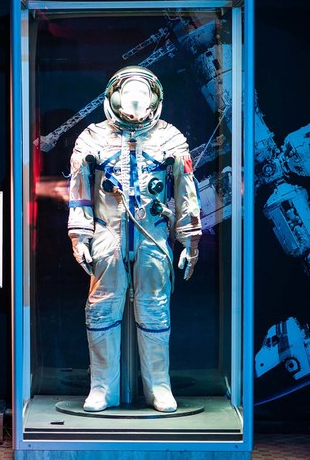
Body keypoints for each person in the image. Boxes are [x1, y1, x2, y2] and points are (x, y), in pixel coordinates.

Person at [67, 66, 202, 413]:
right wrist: (79, 236)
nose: (136, 102)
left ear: (155, 99)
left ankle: (158, 386)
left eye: (143, 95)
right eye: (129, 95)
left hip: (152, 235)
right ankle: (102, 388)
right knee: (101, 308)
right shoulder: (92, 137)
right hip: (107, 235)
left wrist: (190, 240)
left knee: (154, 307)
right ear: (113, 98)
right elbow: (79, 194)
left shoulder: (170, 138)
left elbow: (186, 193)